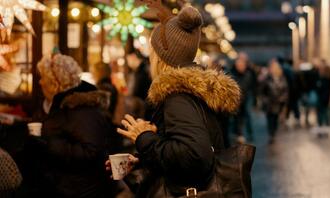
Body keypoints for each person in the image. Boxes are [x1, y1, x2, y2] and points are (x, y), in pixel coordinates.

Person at [116, 6, 241, 197]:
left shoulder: (178, 97)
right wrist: (143, 160)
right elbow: (188, 148)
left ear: (161, 58)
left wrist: (144, 138)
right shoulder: (195, 91)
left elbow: (194, 156)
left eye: (152, 52)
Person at [28, 53, 114, 198]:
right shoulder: (53, 105)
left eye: (43, 77)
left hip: (80, 190)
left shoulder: (82, 109)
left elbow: (90, 151)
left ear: (56, 81)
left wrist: (48, 144)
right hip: (61, 186)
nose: (40, 82)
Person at [261, 59, 288, 144]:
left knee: (275, 119)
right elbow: (262, 90)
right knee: (269, 119)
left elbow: (285, 90)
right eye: (272, 68)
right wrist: (265, 99)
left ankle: (273, 133)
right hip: (269, 103)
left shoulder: (282, 78)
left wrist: (283, 99)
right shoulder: (267, 78)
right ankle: (271, 134)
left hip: (278, 103)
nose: (273, 70)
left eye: (275, 68)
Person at [230, 56, 255, 143]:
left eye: (242, 65)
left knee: (248, 116)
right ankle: (239, 134)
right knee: (237, 118)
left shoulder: (249, 74)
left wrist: (255, 99)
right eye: (238, 65)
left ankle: (250, 134)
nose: (240, 67)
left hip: (247, 98)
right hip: (237, 99)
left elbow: (253, 87)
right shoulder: (232, 74)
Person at [315, 59, 330, 135]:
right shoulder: (323, 76)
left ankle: (323, 129)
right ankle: (323, 129)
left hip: (323, 98)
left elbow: (323, 88)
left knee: (322, 114)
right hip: (323, 98)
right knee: (323, 114)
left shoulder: (325, 77)